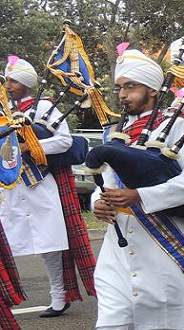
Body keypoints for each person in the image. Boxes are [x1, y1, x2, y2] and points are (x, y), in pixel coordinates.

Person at [92, 49, 184, 329]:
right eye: (120, 87)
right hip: (116, 248)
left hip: (164, 243)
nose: (122, 95)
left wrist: (140, 196)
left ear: (154, 90)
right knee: (112, 321)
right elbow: (107, 182)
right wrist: (99, 202)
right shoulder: (114, 132)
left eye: (131, 87)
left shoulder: (176, 126)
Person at [1, 56, 96, 318]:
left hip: (39, 184)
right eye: (7, 80)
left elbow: (64, 141)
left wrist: (29, 146)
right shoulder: (5, 108)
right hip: (12, 186)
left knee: (50, 245)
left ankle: (59, 297)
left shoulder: (44, 106)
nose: (8, 85)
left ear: (25, 83)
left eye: (12, 81)